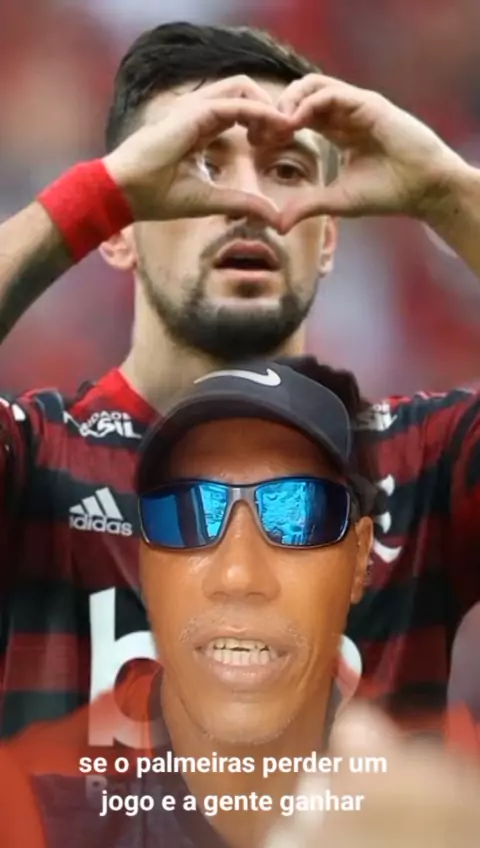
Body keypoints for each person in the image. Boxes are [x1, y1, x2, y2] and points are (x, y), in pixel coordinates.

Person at [1, 21, 480, 744]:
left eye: (286, 170)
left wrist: (448, 191)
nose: (248, 202)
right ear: (117, 229)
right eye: (198, 165)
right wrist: (90, 198)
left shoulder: (425, 465)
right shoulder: (35, 462)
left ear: (328, 239)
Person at [0, 361, 479, 848]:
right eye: (187, 514)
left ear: (360, 559)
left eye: (298, 513)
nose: (238, 575)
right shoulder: (33, 810)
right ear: (146, 564)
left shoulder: (445, 802)